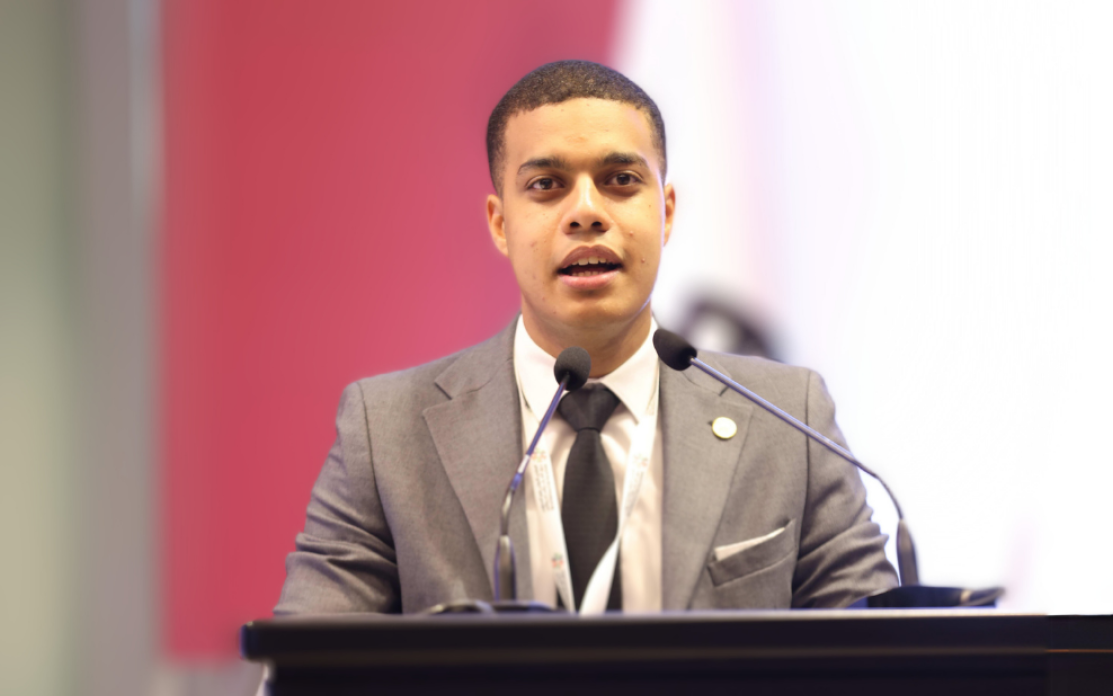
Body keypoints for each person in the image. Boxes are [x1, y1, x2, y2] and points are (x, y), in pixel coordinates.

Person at [272, 60, 897, 617]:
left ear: (666, 210)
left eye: (621, 180)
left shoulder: (789, 419)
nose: (587, 211)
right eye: (546, 186)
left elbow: (882, 671)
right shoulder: (388, 432)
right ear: (500, 223)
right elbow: (312, 673)